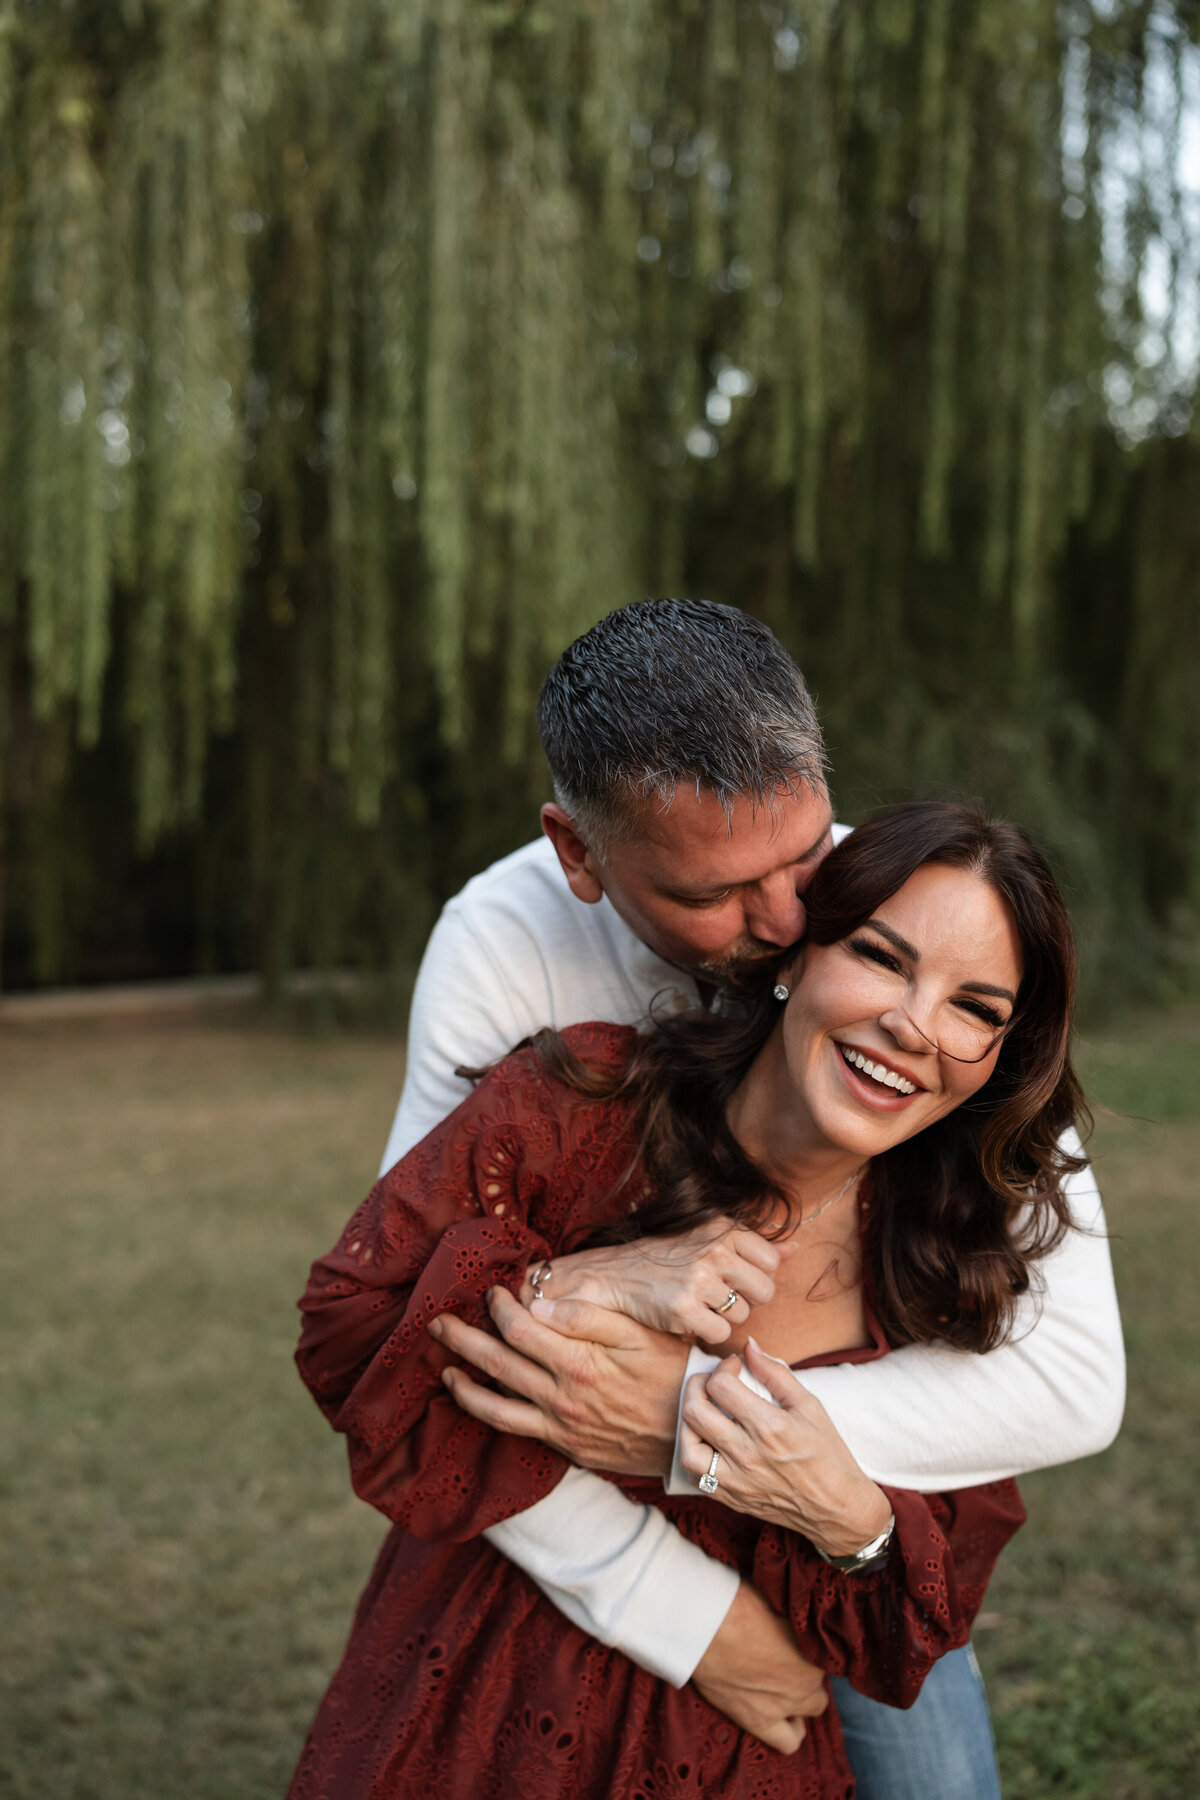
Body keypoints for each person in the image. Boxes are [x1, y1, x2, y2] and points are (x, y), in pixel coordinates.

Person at [370, 601, 1122, 1797]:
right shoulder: (502, 948)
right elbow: (409, 1339)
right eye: (713, 894)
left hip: (835, 1531)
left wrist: (694, 1426)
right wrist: (691, 1619)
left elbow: (1073, 1381)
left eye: (805, 854)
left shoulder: (908, 915)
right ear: (578, 853)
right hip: (569, 1519)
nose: (786, 924)